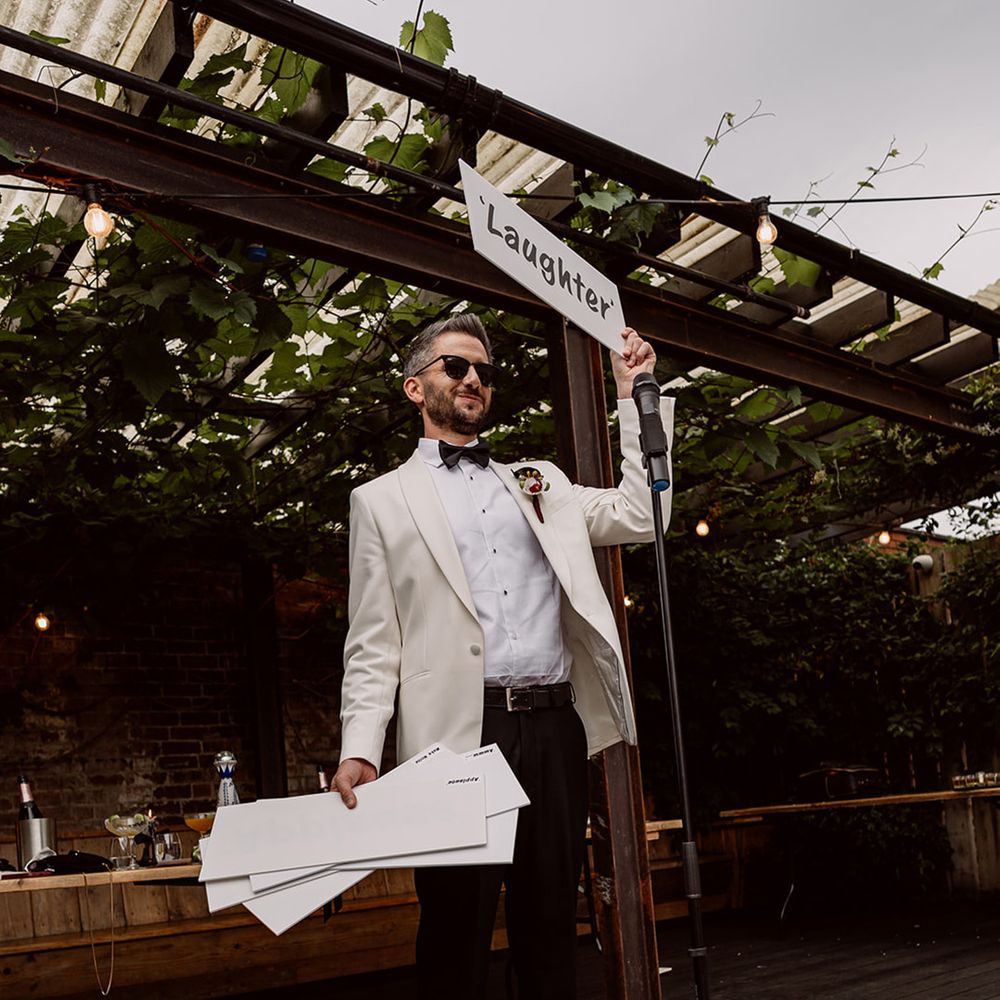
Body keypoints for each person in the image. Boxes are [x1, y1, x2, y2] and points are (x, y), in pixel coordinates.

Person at [332, 313, 672, 999]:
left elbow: (645, 514)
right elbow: (374, 641)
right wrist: (360, 746)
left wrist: (637, 393)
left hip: (551, 726)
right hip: (458, 737)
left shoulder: (537, 481)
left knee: (551, 921)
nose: (473, 380)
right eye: (456, 366)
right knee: (456, 928)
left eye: (484, 371)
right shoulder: (379, 502)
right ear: (413, 386)